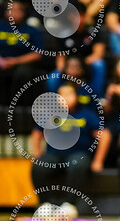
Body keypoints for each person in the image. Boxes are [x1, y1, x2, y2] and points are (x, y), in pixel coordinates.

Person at [31, 83, 111, 213]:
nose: (66, 98)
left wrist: (98, 160)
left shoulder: (86, 114)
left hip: (78, 153)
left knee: (77, 165)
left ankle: (70, 205)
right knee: (39, 166)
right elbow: (36, 133)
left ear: (76, 96)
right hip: (54, 154)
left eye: (69, 94)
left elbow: (105, 135)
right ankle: (44, 204)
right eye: (62, 95)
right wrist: (37, 152)